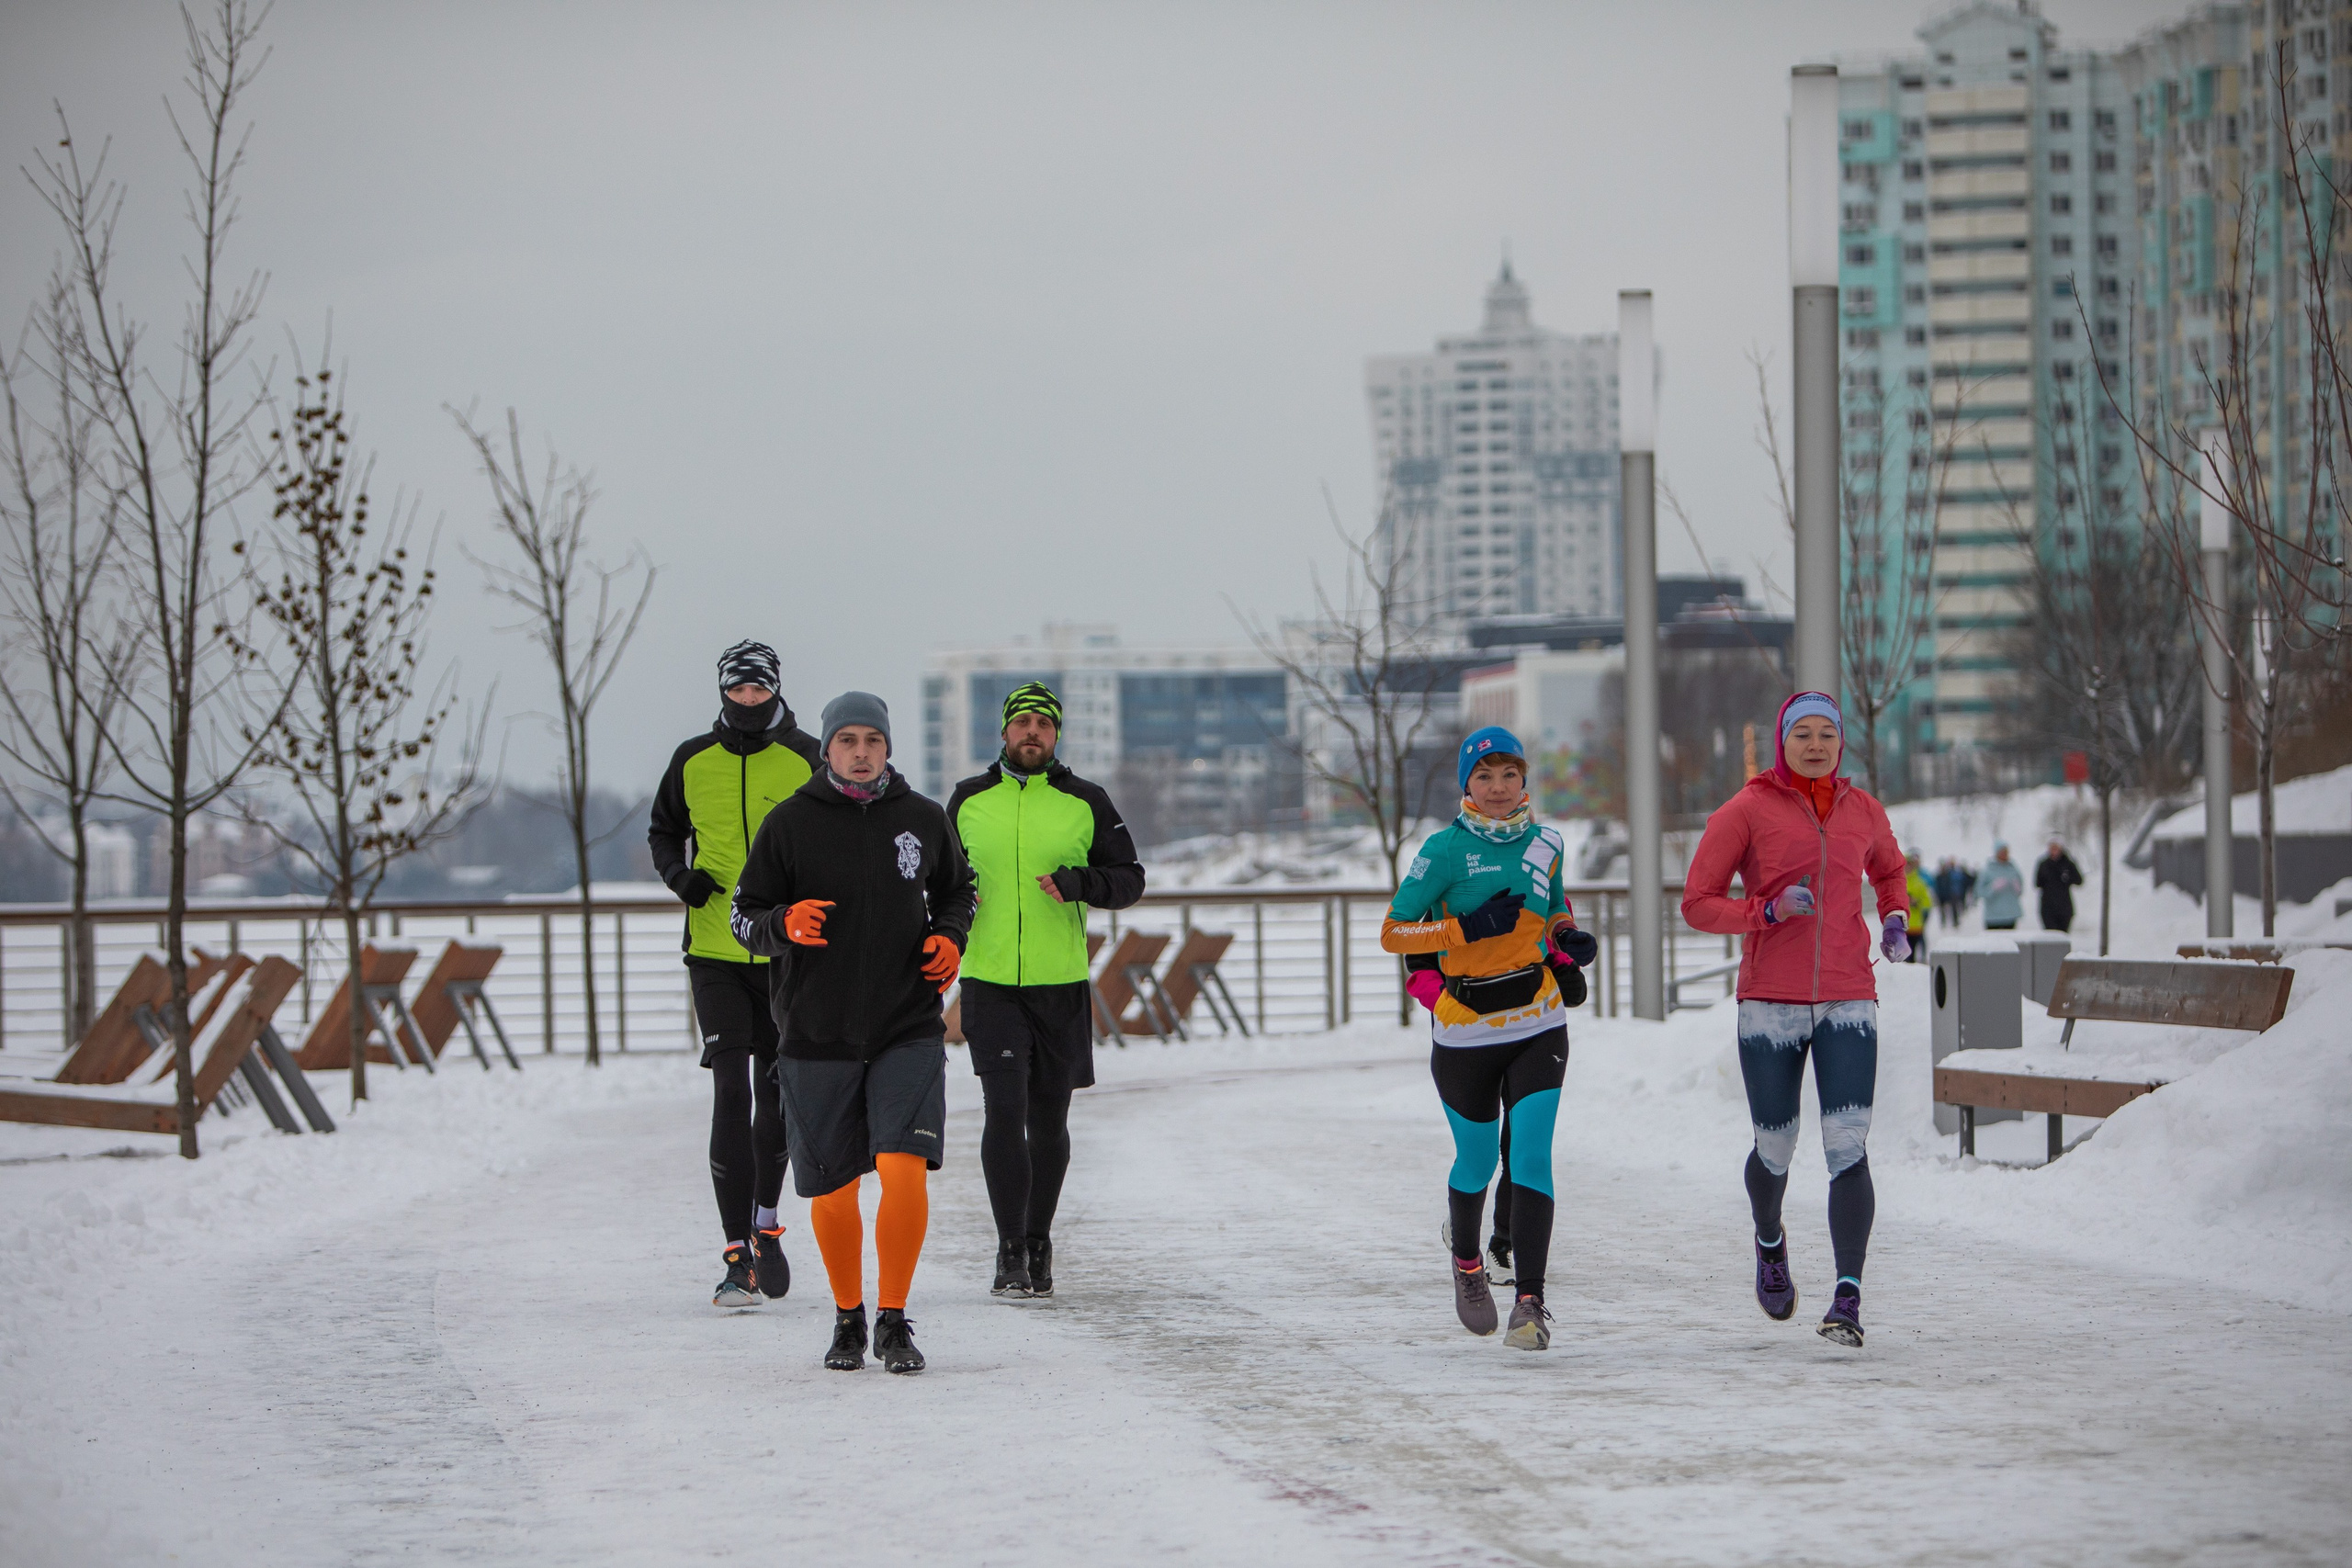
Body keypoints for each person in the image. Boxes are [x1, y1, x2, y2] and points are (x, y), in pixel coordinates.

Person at [729, 693, 977, 1374]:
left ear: (888, 747)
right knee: (835, 1189)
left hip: (907, 1025)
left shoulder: (922, 817)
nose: (861, 752)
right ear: (827, 748)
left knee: (903, 1167)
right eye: (848, 740)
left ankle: (893, 1319)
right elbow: (743, 916)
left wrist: (950, 936)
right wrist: (783, 924)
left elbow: (960, 890)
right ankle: (848, 1317)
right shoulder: (789, 823)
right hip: (815, 1032)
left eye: (873, 739)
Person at [1680, 693, 1907, 1349]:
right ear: (1783, 741)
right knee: (1775, 1146)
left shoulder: (1864, 810)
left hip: (1847, 996)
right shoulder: (1746, 810)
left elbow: (1890, 871)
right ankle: (1769, 1238)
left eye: (1826, 734)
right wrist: (1765, 912)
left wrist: (1896, 918)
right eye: (1801, 733)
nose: (1815, 745)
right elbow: (1697, 902)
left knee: (1847, 1145)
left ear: (1841, 743)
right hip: (1770, 1001)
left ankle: (1847, 1297)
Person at [1380, 726, 1596, 1353]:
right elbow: (1394, 932)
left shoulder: (1547, 841)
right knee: (1477, 1162)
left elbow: (1552, 908)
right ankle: (1469, 1262)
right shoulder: (1444, 850)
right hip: (1466, 1029)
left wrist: (1567, 937)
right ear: (1466, 784)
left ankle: (1530, 1302)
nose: (1498, 788)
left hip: (1538, 1018)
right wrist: (1464, 927)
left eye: (1509, 774)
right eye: (1484, 776)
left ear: (1524, 779)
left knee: (1530, 1157)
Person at [946, 682, 1145, 1300]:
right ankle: (1009, 1247)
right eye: (1022, 722)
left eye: (1044, 723)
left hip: (1060, 982)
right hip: (990, 980)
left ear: (1056, 734)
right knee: (1004, 1110)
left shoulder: (1086, 801)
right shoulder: (968, 799)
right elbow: (936, 880)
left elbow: (1130, 879)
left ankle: (1038, 1239)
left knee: (1049, 1118)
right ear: (1005, 731)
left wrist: (1082, 882)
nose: (1032, 732)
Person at [647, 639, 820, 1309]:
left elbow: (831, 837)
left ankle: (765, 1221)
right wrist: (679, 876)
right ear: (723, 691)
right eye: (738, 689)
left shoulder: (807, 756)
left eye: (759, 689)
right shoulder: (692, 759)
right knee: (729, 1089)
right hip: (715, 950)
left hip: (784, 953)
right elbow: (663, 831)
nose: (749, 699)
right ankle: (736, 1254)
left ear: (776, 689)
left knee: (774, 1095)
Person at [2036, 839, 2084, 933]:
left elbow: (2079, 881)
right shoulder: (2044, 864)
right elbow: (2037, 883)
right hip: (2048, 907)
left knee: (2063, 934)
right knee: (2050, 934)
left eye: (2056, 848)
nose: (2054, 851)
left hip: (2064, 907)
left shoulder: (2068, 863)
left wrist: (2067, 878)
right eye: (2052, 848)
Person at [1980, 842, 2024, 931]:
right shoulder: (1988, 870)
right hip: (1993, 917)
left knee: (2010, 938)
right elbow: (1979, 891)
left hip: (2010, 915)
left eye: (2006, 852)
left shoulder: (2012, 868)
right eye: (2002, 852)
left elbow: (2020, 889)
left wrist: (2018, 888)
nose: (2004, 855)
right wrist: (1992, 888)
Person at [1904, 851, 1933, 963]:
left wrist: (1916, 902)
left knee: (1913, 953)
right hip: (1900, 925)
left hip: (1915, 924)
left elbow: (1927, 903)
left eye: (1909, 865)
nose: (1907, 868)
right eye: (1905, 865)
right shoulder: (1897, 882)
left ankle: (1922, 960)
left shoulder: (1920, 882)